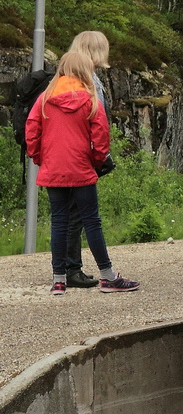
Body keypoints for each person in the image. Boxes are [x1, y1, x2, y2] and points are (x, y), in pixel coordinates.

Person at [25, 51, 139, 296]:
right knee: (91, 222)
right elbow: (101, 135)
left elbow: (31, 131)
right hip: (81, 168)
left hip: (53, 169)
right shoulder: (89, 98)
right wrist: (97, 161)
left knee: (59, 222)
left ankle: (59, 281)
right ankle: (108, 277)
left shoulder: (44, 98)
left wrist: (40, 159)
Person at [60, 31, 112, 288]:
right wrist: (101, 156)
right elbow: (96, 121)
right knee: (79, 214)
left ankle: (67, 269)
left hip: (64, 154)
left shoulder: (65, 77)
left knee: (69, 214)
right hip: (81, 157)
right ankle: (72, 270)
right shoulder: (87, 80)